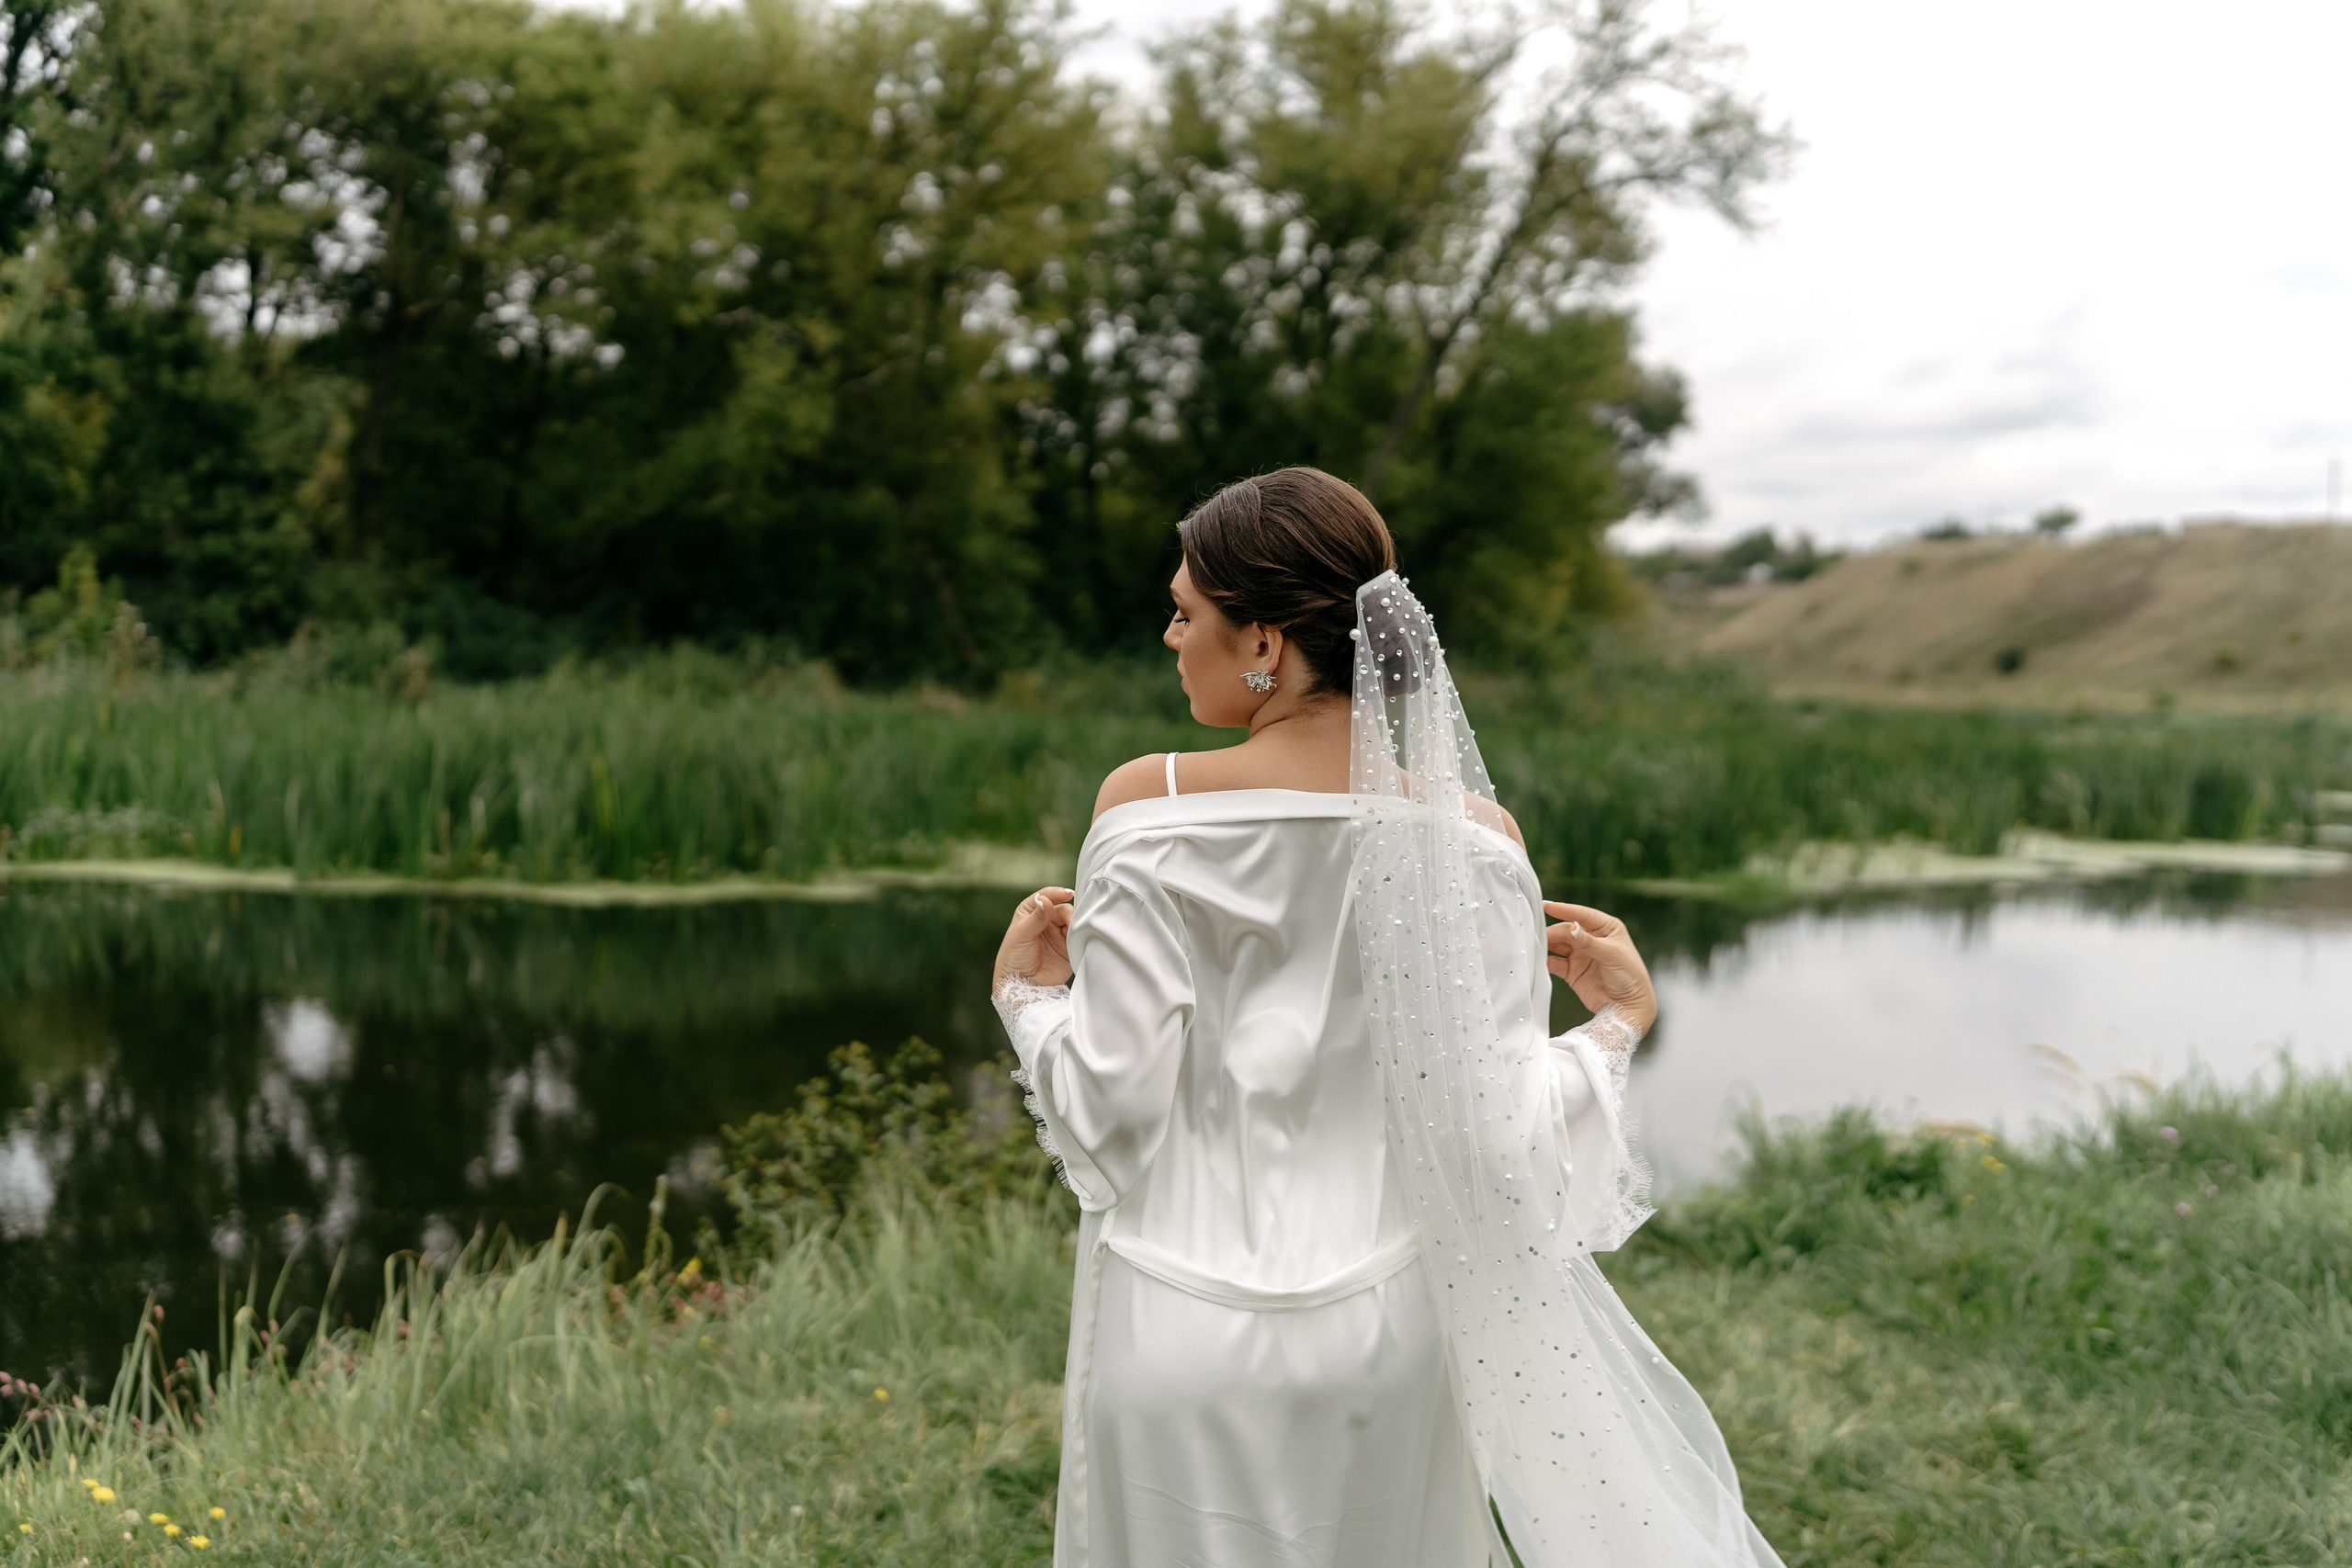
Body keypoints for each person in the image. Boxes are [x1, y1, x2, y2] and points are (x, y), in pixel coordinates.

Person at [991, 468, 1781, 1568]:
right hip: (1393, 1339)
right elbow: (1497, 1139)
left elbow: (1108, 1113)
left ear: (1260, 639)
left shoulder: (1146, 808)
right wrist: (1616, 1023)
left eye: (1184, 612)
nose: (1169, 637)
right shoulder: (1474, 842)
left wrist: (1028, 997)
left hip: (1178, 1327)